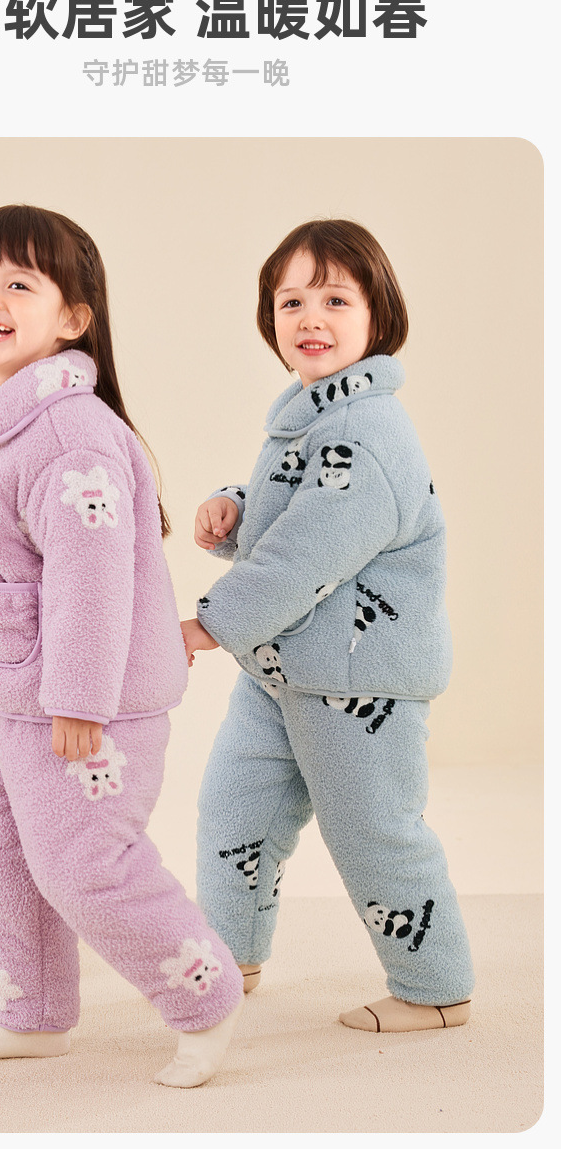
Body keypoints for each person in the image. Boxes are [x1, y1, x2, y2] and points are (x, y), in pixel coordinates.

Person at [0, 204, 243, 1085]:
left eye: (18, 284)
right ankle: (31, 1014)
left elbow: (92, 577)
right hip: (3, 691)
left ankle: (206, 1000)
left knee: (85, 865)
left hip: (80, 706)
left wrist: (79, 699)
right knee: (1, 854)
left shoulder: (70, 435)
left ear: (73, 317)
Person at [182, 218, 474, 1033]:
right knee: (233, 812)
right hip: (280, 671)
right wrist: (234, 508)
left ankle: (436, 988)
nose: (311, 317)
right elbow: (293, 510)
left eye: (336, 300)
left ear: (378, 317)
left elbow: (308, 553)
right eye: (291, 302)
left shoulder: (367, 429)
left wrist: (209, 624)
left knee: (373, 832)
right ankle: (229, 957)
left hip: (356, 682)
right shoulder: (312, 416)